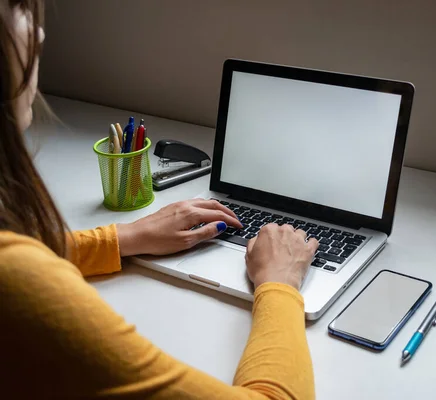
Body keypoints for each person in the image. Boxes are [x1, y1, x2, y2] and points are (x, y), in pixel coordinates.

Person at [0, 1, 319, 398]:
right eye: (17, 7)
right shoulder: (16, 283)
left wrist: (121, 238)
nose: (41, 35)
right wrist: (280, 283)